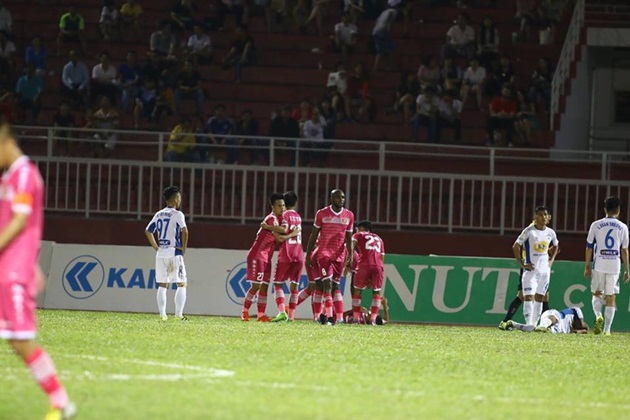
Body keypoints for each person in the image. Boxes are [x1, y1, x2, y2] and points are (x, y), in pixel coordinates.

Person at [0, 122, 77, 419]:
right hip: (10, 269)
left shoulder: (24, 175)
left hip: (12, 274)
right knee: (18, 340)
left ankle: (61, 402)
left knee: (20, 340)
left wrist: (25, 264)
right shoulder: (10, 177)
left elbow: (20, 222)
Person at [305, 189, 355, 325]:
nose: (341, 200)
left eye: (343, 197)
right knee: (327, 285)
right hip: (324, 254)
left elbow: (349, 238)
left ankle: (328, 315)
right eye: (338, 197)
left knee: (335, 287)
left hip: (339, 256)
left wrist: (350, 256)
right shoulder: (322, 213)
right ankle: (330, 318)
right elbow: (313, 235)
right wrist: (308, 253)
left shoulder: (349, 215)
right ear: (331, 199)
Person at [585, 196, 630, 336]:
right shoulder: (623, 227)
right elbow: (624, 250)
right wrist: (627, 270)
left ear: (605, 209)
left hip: (599, 264)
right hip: (614, 265)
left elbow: (589, 247)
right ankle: (607, 330)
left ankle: (598, 315)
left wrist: (587, 265)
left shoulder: (596, 225)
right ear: (618, 210)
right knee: (610, 297)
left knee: (596, 293)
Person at [144, 186, 189, 321]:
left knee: (163, 284)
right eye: (179, 197)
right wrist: (184, 248)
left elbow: (148, 230)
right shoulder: (177, 214)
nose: (180, 200)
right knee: (181, 283)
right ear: (175, 199)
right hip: (174, 251)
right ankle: (179, 315)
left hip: (161, 252)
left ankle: (163, 315)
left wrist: (156, 247)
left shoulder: (158, 214)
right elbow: (185, 231)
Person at [241, 193, 288, 322]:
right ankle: (244, 312)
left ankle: (261, 315)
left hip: (267, 257)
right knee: (256, 285)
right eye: (279, 206)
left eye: (283, 205)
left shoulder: (278, 220)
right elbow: (282, 232)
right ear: (272, 207)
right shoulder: (271, 218)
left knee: (265, 286)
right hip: (257, 255)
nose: (282, 208)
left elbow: (281, 233)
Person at [512, 205, 559, 327]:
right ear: (535, 217)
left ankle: (533, 324)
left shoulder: (551, 233)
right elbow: (516, 246)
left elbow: (556, 246)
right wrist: (522, 264)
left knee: (540, 297)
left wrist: (551, 262)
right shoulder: (529, 231)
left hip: (544, 272)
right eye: (540, 215)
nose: (543, 217)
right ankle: (528, 323)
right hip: (530, 271)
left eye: (545, 215)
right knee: (528, 297)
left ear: (548, 217)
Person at [270, 191, 304, 322]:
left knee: (278, 285)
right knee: (294, 287)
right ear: (295, 203)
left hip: (287, 253)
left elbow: (281, 234)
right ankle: (291, 317)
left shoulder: (284, 216)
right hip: (299, 253)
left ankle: (282, 312)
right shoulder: (299, 217)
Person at [350, 221, 385, 325]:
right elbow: (382, 256)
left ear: (362, 228)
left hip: (364, 265)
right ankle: (373, 319)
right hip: (378, 266)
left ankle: (356, 318)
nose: (356, 230)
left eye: (357, 228)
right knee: (376, 292)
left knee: (357, 291)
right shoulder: (379, 238)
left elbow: (350, 246)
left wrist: (348, 261)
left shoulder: (358, 234)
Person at [506, 307, 589, 334]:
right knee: (555, 318)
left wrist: (577, 331)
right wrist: (580, 322)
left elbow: (586, 331)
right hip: (554, 315)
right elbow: (577, 310)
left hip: (556, 329)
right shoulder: (573, 312)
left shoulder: (569, 330)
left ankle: (513, 324)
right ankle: (543, 326)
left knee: (536, 329)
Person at [372, 0, 400, 72]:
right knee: (392, 49)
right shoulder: (393, 11)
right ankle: (390, 66)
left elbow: (376, 21)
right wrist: (387, 30)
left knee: (380, 51)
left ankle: (375, 67)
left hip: (375, 31)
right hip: (383, 31)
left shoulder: (384, 12)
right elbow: (389, 20)